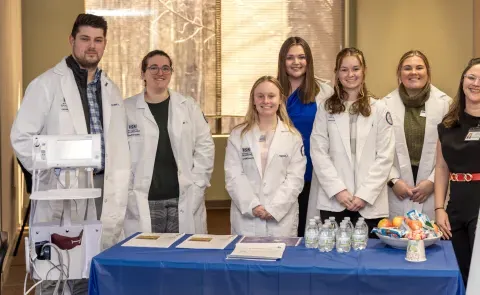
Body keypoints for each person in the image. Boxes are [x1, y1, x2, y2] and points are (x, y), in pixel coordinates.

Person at [10, 14, 130, 294]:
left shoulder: (110, 88)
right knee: (58, 272)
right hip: (64, 190)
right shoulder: (47, 84)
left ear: (105, 44)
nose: (92, 46)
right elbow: (21, 137)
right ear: (72, 40)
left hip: (104, 189)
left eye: (98, 40)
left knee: (94, 269)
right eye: (85, 39)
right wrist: (54, 173)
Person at [123, 50, 214, 236]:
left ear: (171, 73)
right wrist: (129, 191)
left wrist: (198, 185)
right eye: (153, 67)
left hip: (182, 196)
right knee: (149, 257)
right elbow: (118, 155)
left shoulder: (188, 106)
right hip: (144, 199)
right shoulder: (126, 109)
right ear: (143, 73)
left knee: (182, 257)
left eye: (166, 68)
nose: (160, 73)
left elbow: (205, 147)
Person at [308, 48, 395, 236]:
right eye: (344, 69)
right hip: (335, 201)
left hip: (370, 202)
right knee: (334, 258)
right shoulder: (325, 109)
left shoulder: (379, 108)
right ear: (337, 73)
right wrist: (338, 190)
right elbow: (318, 152)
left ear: (364, 71)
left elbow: (385, 156)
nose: (350, 74)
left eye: (355, 69)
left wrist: (364, 194)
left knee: (370, 259)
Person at [225, 76, 306, 237]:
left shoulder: (293, 137)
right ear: (253, 100)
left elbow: (295, 179)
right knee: (245, 259)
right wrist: (252, 205)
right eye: (260, 96)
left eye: (271, 96)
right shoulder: (238, 135)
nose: (266, 101)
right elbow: (233, 176)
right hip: (247, 218)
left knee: (281, 259)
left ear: (280, 100)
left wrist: (274, 208)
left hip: (281, 219)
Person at [277, 36, 334, 236]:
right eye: (290, 57)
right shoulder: (273, 92)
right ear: (282, 61)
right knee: (283, 229)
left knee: (308, 228)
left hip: (314, 170)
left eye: (301, 57)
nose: (296, 62)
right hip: (281, 172)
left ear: (308, 61)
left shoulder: (324, 92)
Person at [384, 50, 451, 220]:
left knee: (431, 239)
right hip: (396, 187)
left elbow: (451, 149)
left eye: (419, 68)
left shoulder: (446, 104)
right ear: (399, 73)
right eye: (407, 68)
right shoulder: (383, 105)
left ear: (427, 72)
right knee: (397, 238)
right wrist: (393, 181)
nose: (413, 72)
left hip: (434, 184)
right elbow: (378, 150)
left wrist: (432, 182)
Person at [435, 57, 480, 286]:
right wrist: (439, 207)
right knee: (459, 272)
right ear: (463, 81)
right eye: (471, 77)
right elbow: (442, 168)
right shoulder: (447, 124)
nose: (476, 83)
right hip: (456, 207)